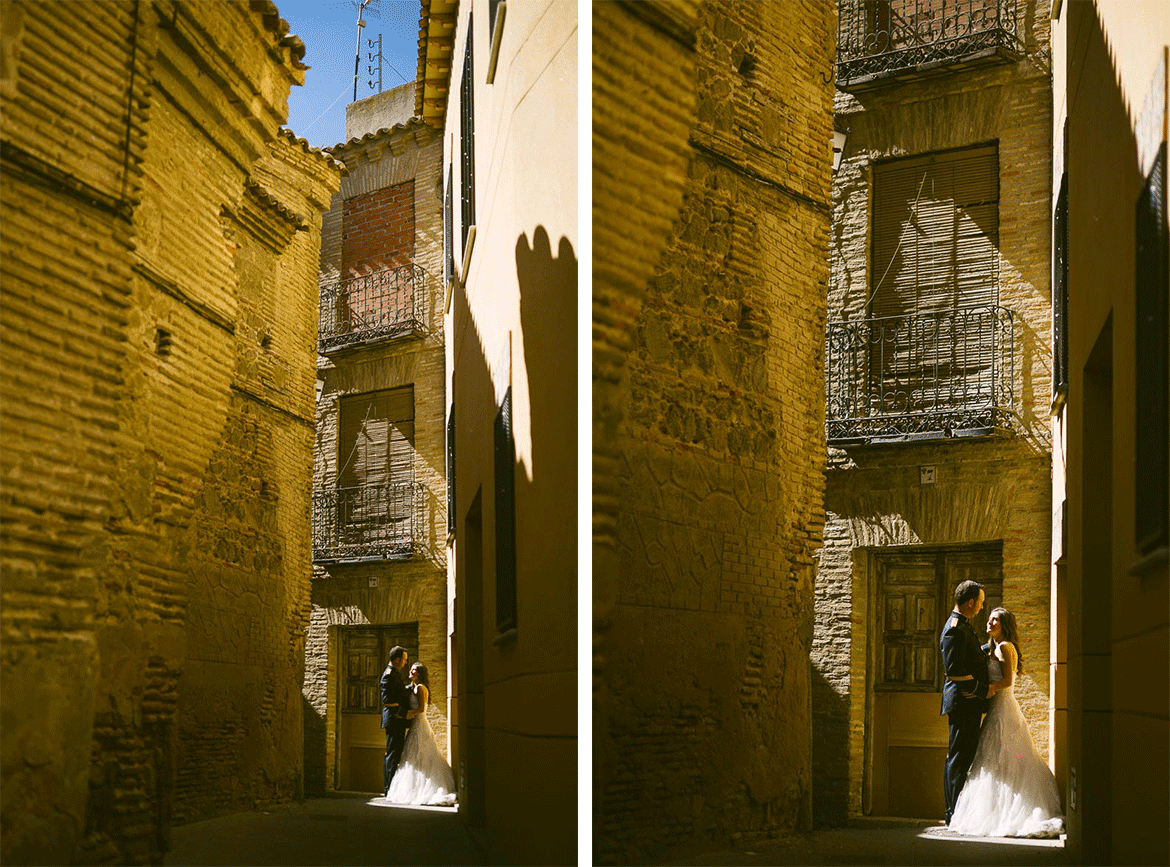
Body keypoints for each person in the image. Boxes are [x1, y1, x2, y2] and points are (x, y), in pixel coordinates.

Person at [948, 607, 1064, 837]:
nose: (989, 622)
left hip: (1003, 707)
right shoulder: (992, 647)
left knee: (1004, 757)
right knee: (993, 759)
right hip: (995, 707)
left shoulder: (1004, 647)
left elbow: (1007, 681)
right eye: (989, 618)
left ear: (1005, 625)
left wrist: (983, 690)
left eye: (996, 620)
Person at [939, 579, 990, 825]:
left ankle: (957, 812)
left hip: (969, 702)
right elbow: (953, 670)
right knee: (958, 759)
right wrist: (981, 689)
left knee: (963, 756)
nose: (981, 608)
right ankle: (952, 814)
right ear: (970, 602)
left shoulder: (964, 627)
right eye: (980, 603)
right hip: (963, 702)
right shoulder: (954, 628)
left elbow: (967, 656)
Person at [385, 662, 458, 806]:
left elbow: (421, 709)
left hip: (419, 723)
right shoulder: (413, 688)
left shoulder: (420, 688)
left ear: (420, 674)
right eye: (411, 669)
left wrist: (406, 714)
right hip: (415, 724)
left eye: (414, 670)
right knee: (413, 756)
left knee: (420, 755)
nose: (411, 672)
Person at [380, 646, 411, 796]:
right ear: (397, 659)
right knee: (392, 755)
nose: (405, 663)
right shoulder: (388, 675)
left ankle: (393, 788)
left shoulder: (395, 674)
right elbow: (387, 701)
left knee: (397, 753)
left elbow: (398, 691)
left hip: (398, 720)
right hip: (394, 720)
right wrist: (404, 713)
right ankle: (389, 789)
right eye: (404, 660)